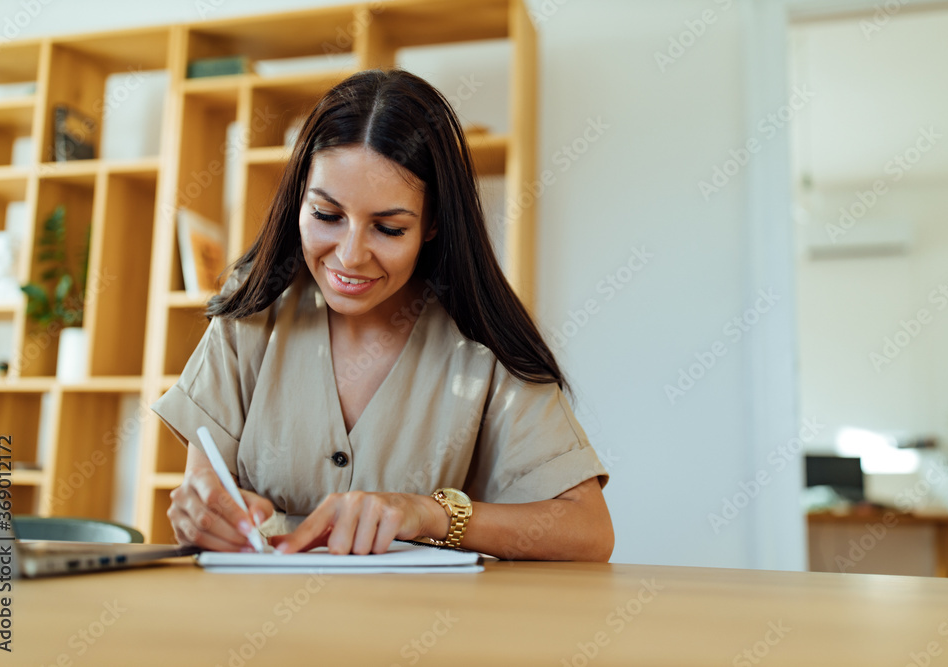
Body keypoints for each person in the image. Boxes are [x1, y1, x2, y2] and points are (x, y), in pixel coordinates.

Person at [151, 69, 613, 561]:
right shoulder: (251, 310)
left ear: (433, 223)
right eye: (327, 216)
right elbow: (204, 494)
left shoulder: (480, 339)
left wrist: (429, 513)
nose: (349, 256)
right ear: (298, 201)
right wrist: (200, 514)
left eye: (388, 228)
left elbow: (587, 531)